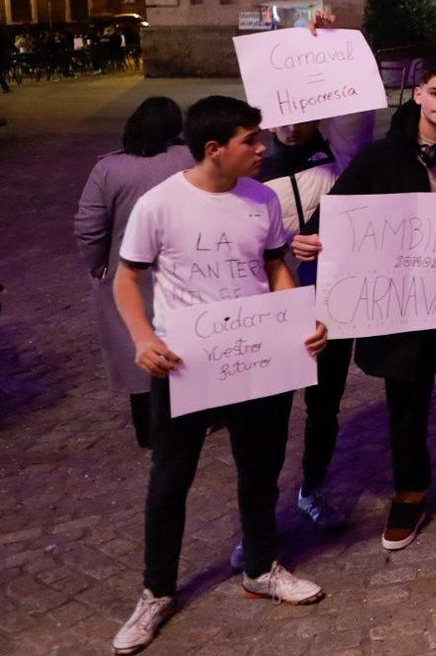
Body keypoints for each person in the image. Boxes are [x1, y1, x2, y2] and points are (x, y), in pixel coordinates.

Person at [110, 97, 328, 655]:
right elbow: (126, 279)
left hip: (258, 357)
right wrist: (143, 339)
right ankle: (157, 590)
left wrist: (297, 320)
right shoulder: (159, 205)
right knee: (171, 477)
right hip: (185, 363)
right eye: (250, 140)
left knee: (261, 465)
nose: (262, 148)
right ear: (215, 149)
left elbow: (276, 264)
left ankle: (260, 565)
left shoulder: (261, 199)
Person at [295, 58, 436, 552]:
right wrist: (313, 237)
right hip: (401, 307)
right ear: (419, 94)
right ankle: (410, 490)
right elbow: (342, 207)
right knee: (407, 400)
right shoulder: (381, 155)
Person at [73, 97, 193, 449]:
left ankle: (150, 430)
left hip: (131, 272)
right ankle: (199, 417)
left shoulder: (109, 170)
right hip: (184, 268)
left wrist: (98, 266)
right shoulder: (190, 159)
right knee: (187, 339)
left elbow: (90, 227)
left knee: (136, 347)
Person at [257, 118, 358, 531]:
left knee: (324, 405)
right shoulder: (255, 168)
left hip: (331, 299)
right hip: (274, 305)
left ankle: (312, 488)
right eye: (283, 119)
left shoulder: (339, 158)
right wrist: (285, 243)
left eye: (301, 118)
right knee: (270, 413)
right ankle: (260, 514)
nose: (292, 127)